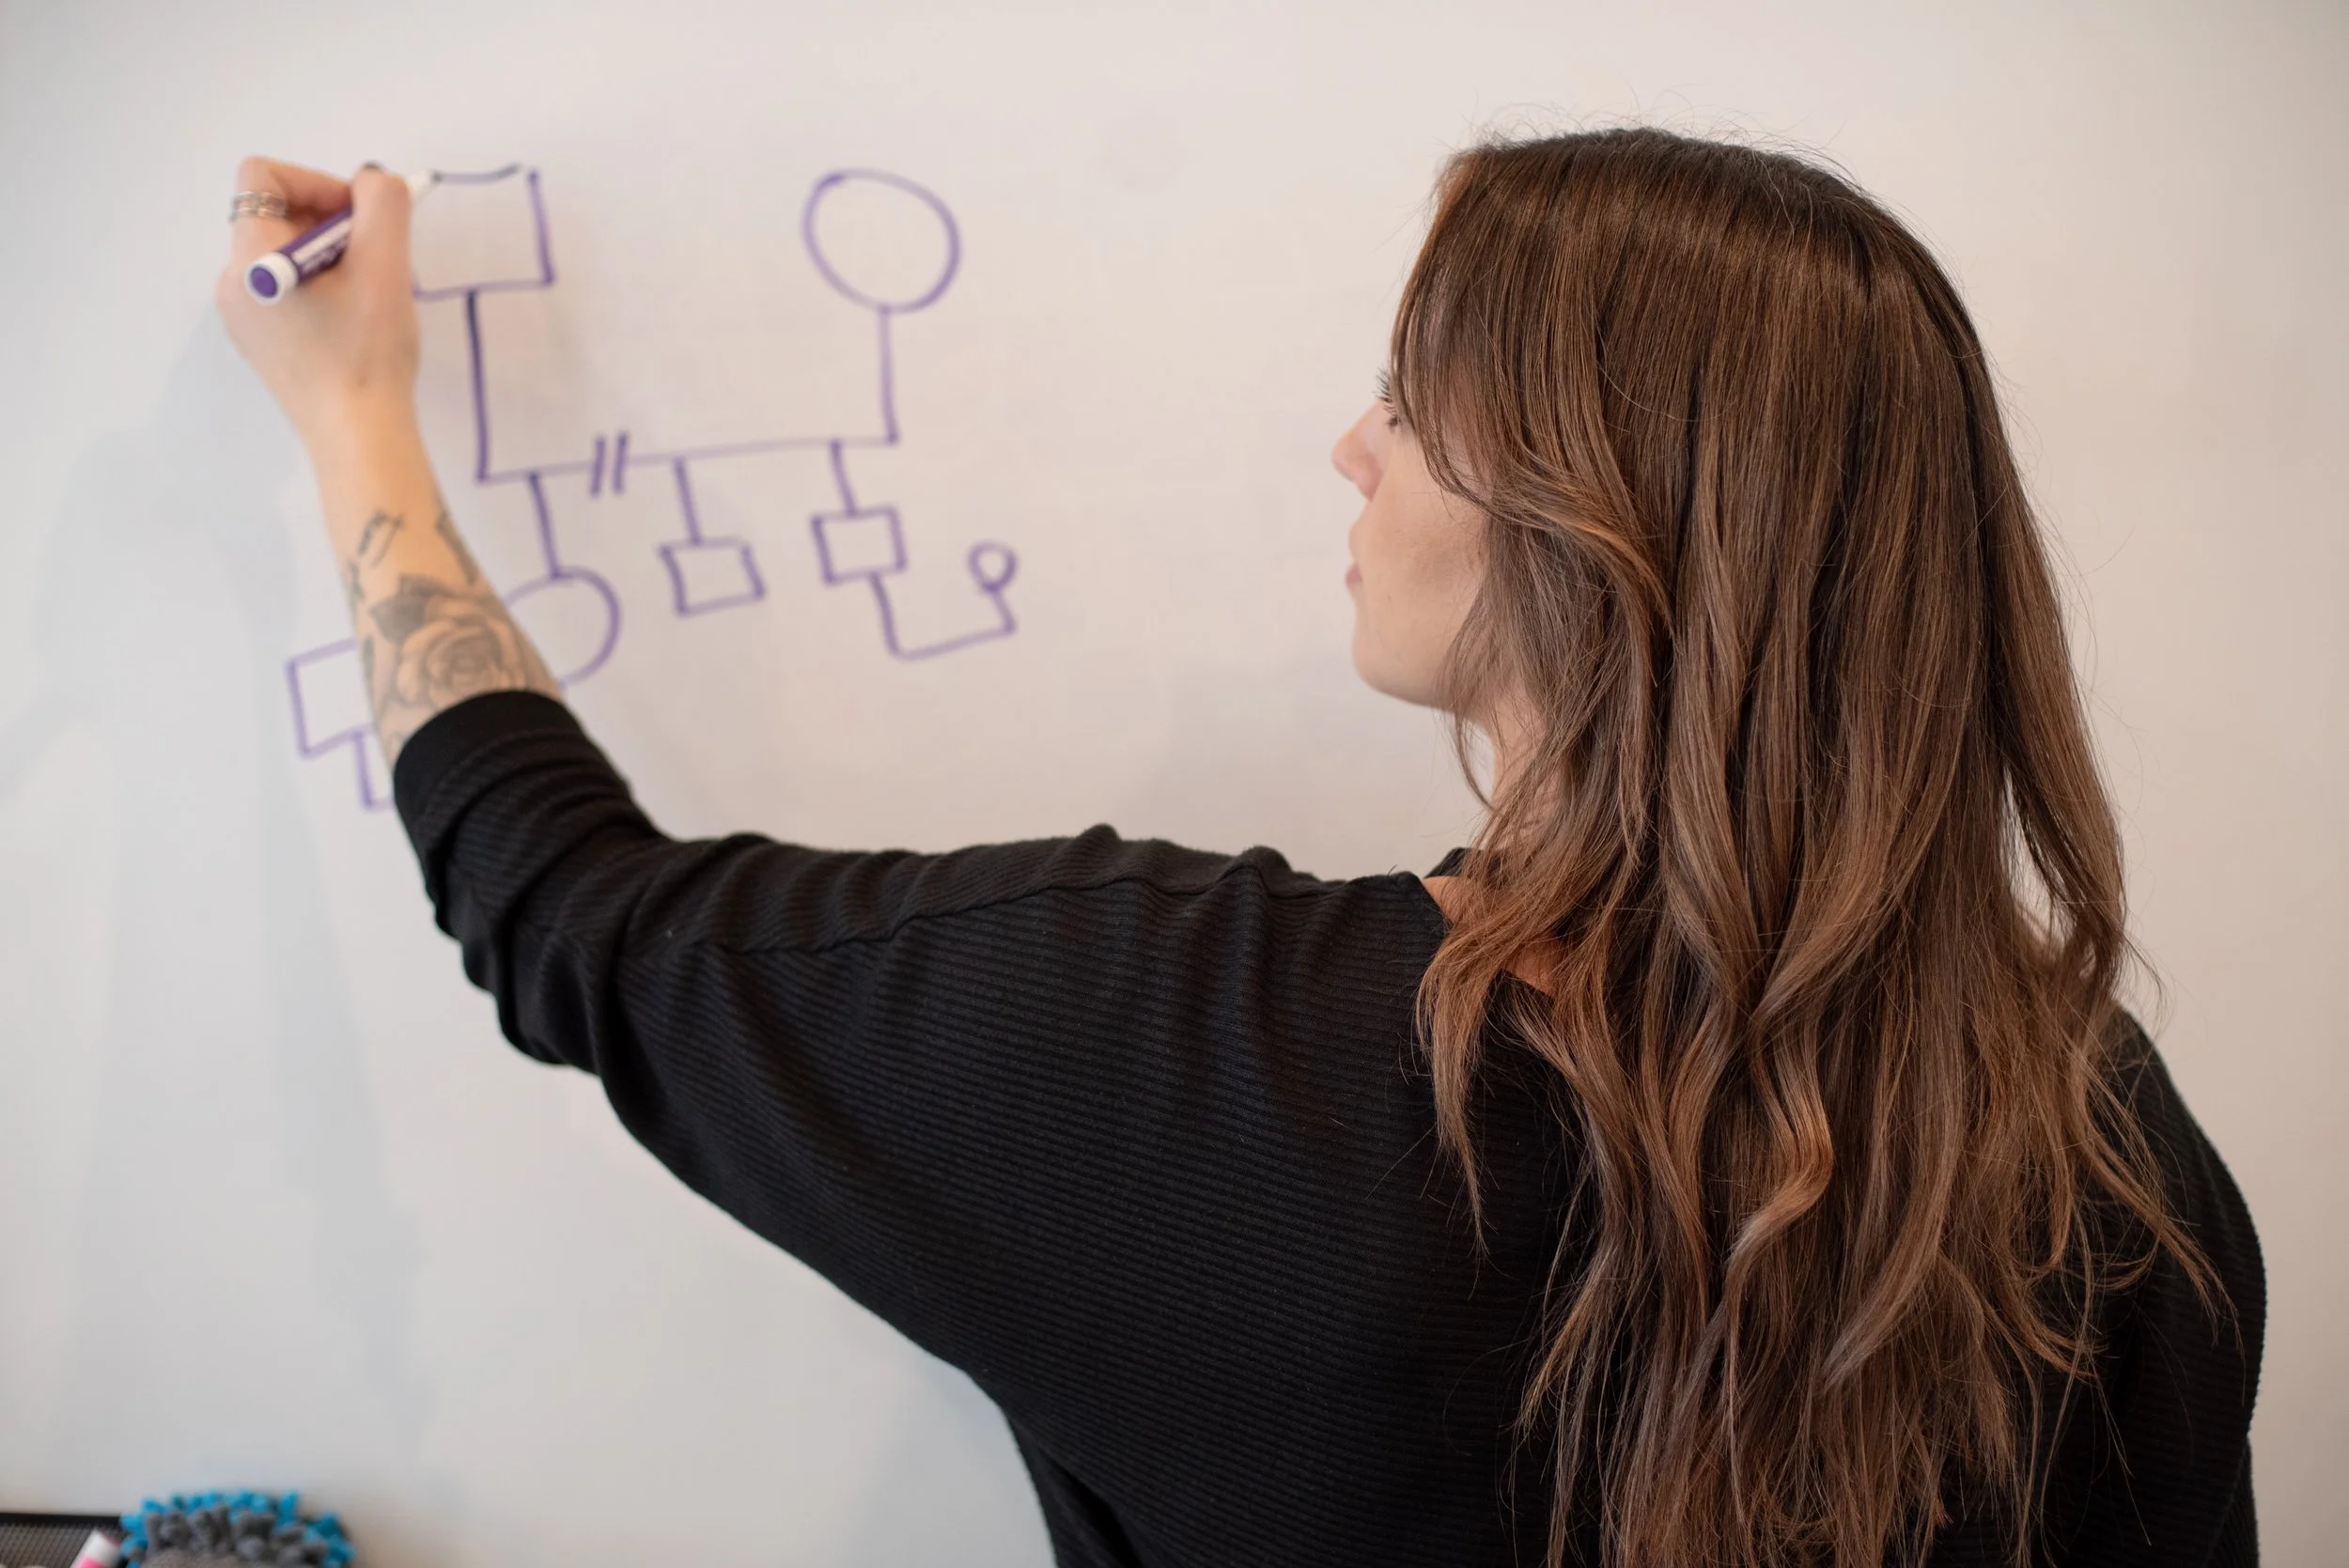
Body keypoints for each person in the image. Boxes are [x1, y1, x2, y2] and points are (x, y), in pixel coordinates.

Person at [216, 128, 2263, 1567]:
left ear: (1591, 517)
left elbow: (566, 912)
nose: (1351, 444)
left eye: (1409, 386)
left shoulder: (1189, 1062)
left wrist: (353, 412)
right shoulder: (2114, 1165)